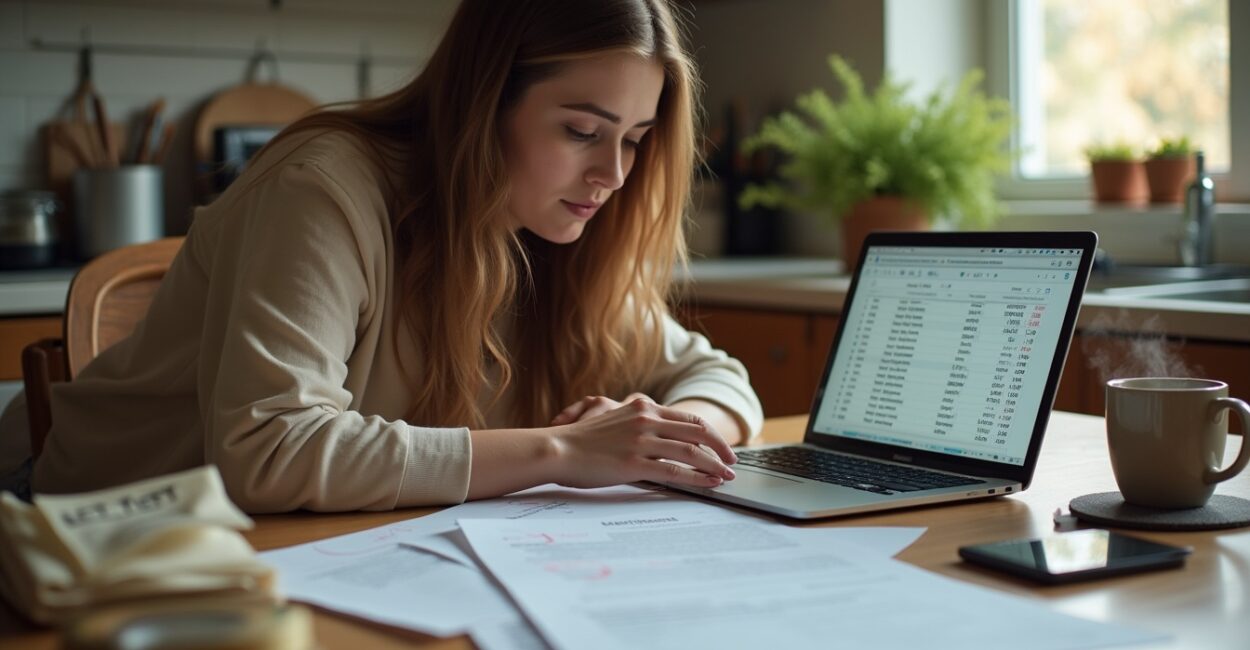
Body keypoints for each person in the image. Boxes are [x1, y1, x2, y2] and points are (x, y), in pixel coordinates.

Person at [5, 0, 762, 512]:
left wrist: (666, 434)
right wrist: (564, 449)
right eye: (580, 131)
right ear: (484, 101)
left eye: (634, 139)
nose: (614, 175)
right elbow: (269, 448)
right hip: (96, 530)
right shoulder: (323, 187)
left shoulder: (551, 230)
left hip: (300, 548)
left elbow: (717, 378)